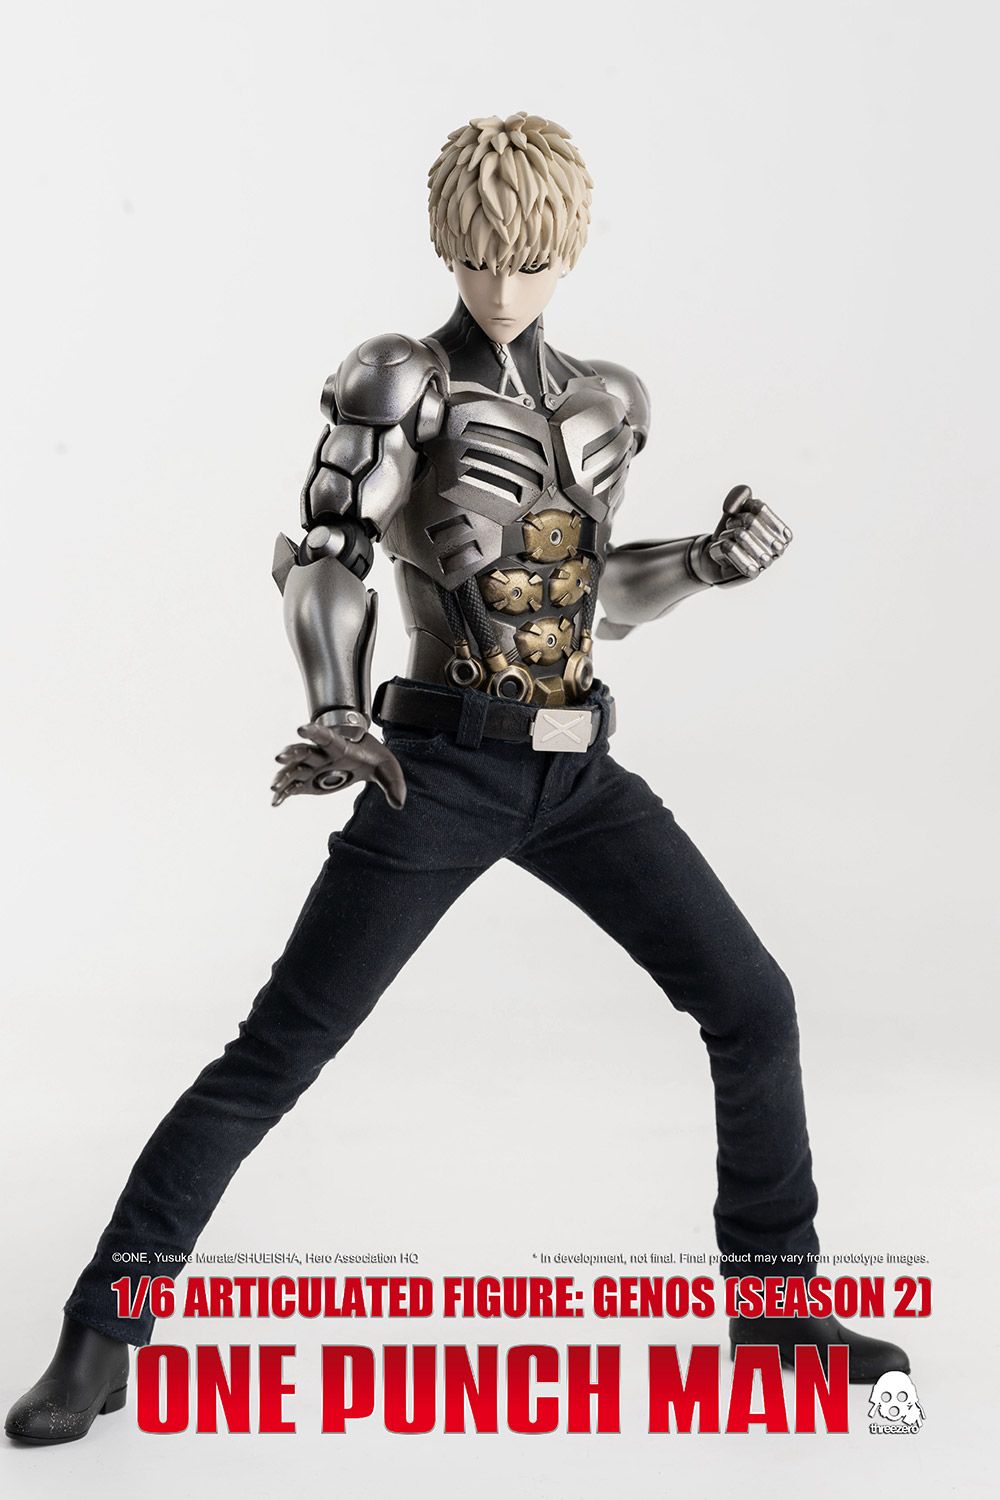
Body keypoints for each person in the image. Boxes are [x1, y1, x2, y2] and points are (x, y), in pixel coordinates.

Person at [6, 112, 908, 1445]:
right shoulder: (401, 380)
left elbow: (592, 595)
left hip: (580, 768)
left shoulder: (608, 401)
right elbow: (327, 547)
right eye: (480, 256)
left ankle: (776, 1312)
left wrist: (702, 564)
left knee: (753, 1002)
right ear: (447, 245)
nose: (501, 284)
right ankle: (99, 1337)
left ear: (568, 250)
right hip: (437, 764)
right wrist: (334, 709)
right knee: (279, 1051)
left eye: (528, 259)